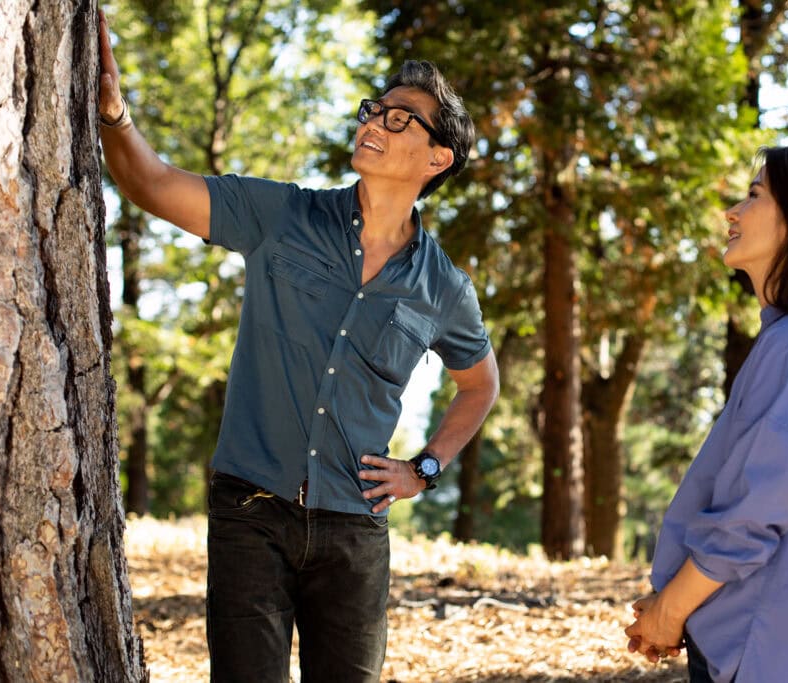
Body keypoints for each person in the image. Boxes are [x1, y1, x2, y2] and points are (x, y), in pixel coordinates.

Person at [96, 11, 499, 682]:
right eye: (375, 109)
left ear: (438, 159)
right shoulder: (283, 216)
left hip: (355, 534)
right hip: (250, 513)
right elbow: (154, 185)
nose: (374, 121)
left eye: (399, 119)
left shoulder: (444, 287)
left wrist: (425, 469)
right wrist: (114, 117)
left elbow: (480, 384)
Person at [624, 146, 788, 682]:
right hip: (749, 640)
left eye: (754, 196)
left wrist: (671, 610)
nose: (732, 212)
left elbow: (756, 514)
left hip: (758, 649)